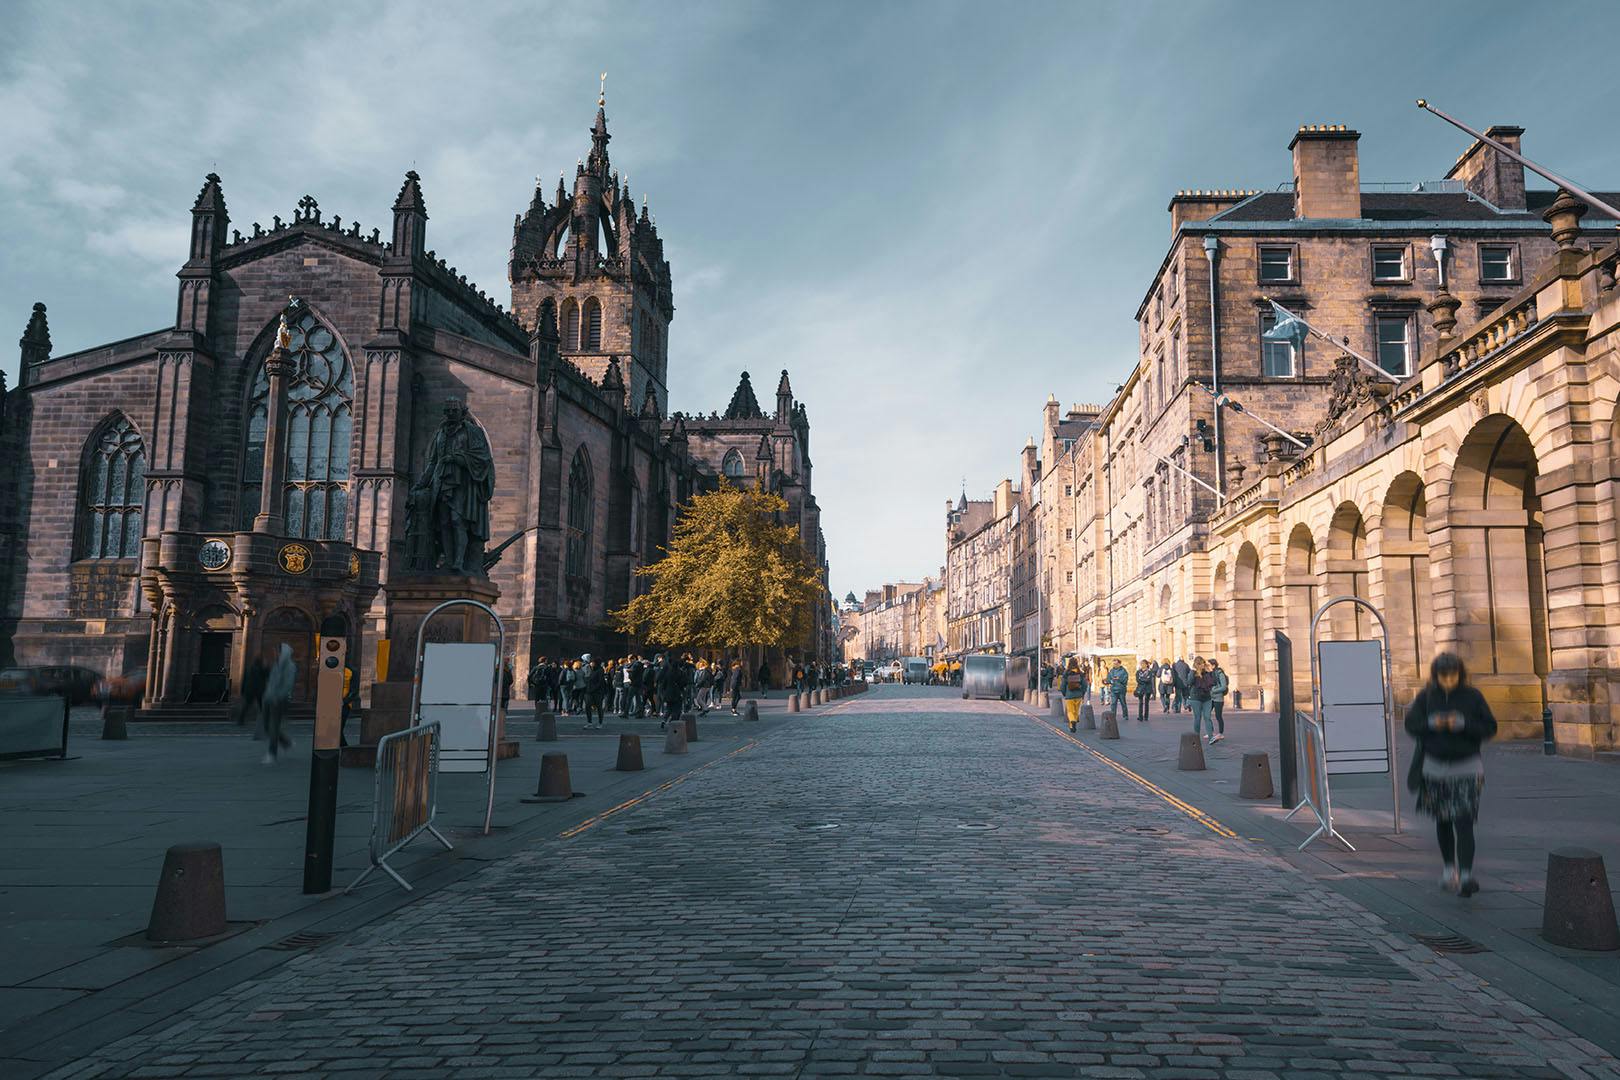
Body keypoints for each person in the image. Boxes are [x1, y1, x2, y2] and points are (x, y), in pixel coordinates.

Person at [1404, 653, 1496, 897]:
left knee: (1464, 820)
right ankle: (1448, 869)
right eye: (1443, 677)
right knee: (1443, 820)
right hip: (1434, 768)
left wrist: (1464, 724)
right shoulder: (1426, 697)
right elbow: (1411, 725)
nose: (1447, 681)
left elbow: (1490, 727)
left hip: (1467, 767)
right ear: (1435, 676)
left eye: (1452, 676)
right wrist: (1431, 723)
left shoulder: (1473, 696)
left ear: (1460, 674)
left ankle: (1466, 875)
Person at [260, 644, 296, 765]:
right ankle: (286, 742)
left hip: (279, 700)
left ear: (283, 653)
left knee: (274, 726)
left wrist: (278, 696)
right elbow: (271, 682)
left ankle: (272, 754)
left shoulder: (290, 666)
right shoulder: (276, 664)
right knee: (266, 725)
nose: (275, 654)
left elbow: (288, 685)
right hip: (268, 698)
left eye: (277, 652)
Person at [234, 654, 269, 730]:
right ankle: (266, 721)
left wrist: (242, 691)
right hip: (258, 690)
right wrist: (266, 666)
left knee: (247, 705)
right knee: (262, 706)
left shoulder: (248, 669)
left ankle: (240, 720)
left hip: (250, 690)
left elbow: (244, 680)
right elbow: (267, 675)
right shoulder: (261, 669)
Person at [1188, 656, 1216, 742]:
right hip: (1196, 698)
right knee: (1197, 718)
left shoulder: (1206, 672)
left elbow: (1213, 682)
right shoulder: (1193, 673)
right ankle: (1196, 737)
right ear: (1198, 664)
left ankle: (1211, 737)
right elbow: (1189, 682)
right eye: (1202, 663)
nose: (1203, 665)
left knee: (1207, 717)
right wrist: (1193, 671)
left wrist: (1210, 672)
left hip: (1207, 698)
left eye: (1204, 663)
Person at [1060, 657, 1086, 731]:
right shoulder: (1080, 673)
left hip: (1069, 695)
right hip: (1078, 695)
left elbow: (1062, 685)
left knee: (1070, 711)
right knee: (1076, 710)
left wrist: (1064, 693)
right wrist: (1082, 693)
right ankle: (1073, 724)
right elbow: (1085, 684)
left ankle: (1072, 722)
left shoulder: (1066, 673)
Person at [581, 654, 606, 729]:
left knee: (599, 707)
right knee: (587, 706)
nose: (591, 663)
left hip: (597, 692)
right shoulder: (590, 669)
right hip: (589, 691)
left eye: (592, 662)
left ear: (596, 663)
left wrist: (593, 688)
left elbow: (600, 682)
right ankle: (589, 722)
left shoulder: (600, 670)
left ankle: (600, 723)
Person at [1208, 658, 1229, 741]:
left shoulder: (1220, 673)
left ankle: (1220, 733)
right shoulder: (1210, 674)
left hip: (1218, 698)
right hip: (1211, 698)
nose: (1207, 666)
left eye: (1209, 665)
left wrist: (1214, 690)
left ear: (1213, 665)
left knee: (1218, 716)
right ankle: (1211, 731)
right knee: (1207, 714)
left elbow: (1224, 687)